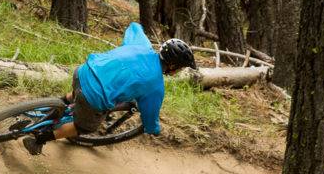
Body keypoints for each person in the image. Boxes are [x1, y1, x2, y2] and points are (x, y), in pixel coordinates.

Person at [23, 22, 197, 155]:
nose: (179, 71)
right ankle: (38, 139)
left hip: (83, 71)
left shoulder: (141, 45)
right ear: (173, 66)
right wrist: (154, 129)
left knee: (79, 93)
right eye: (180, 67)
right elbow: (150, 117)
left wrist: (139, 27)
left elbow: (134, 27)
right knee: (84, 127)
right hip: (94, 97)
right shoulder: (155, 86)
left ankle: (52, 107)